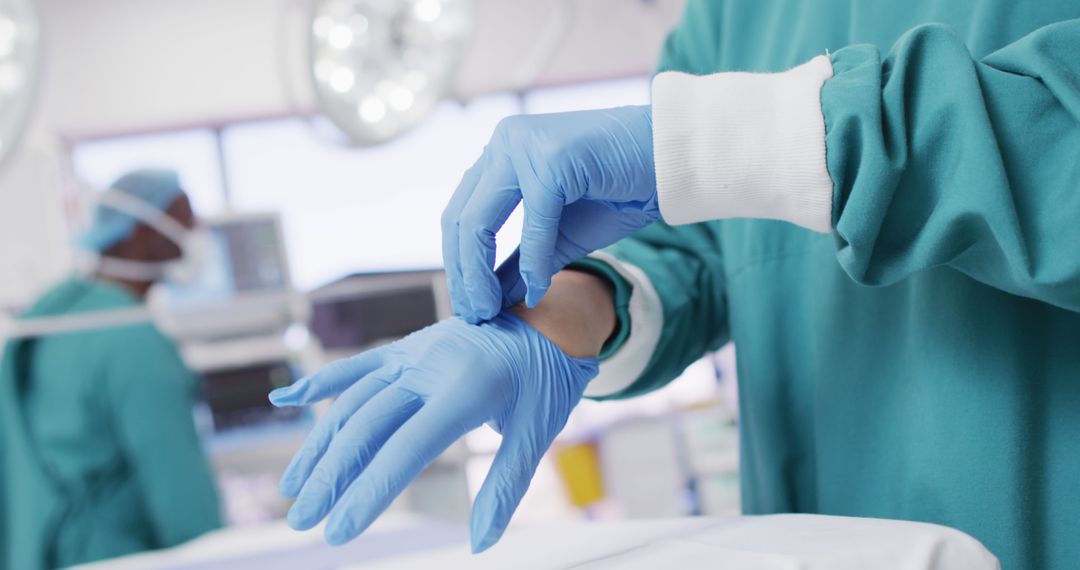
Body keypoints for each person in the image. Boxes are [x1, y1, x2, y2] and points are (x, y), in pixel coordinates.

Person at [271, 2, 1080, 569]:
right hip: (813, 528)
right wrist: (550, 321)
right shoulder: (728, 13)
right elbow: (702, 247)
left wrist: (765, 139)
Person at [0, 170, 222, 570]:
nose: (195, 232)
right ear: (138, 235)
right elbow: (181, 491)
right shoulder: (132, 340)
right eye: (184, 220)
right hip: (113, 555)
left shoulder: (58, 312)